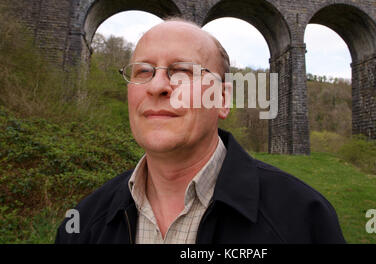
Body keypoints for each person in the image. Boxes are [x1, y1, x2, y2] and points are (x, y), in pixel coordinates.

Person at [55, 17, 346, 244]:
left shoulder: (303, 220)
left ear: (222, 99)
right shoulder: (82, 224)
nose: (157, 86)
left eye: (182, 70)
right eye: (143, 71)